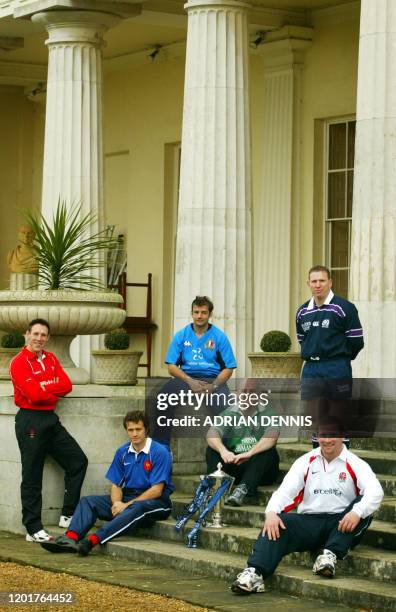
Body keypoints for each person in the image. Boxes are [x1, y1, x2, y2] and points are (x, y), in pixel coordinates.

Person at [231, 417, 383, 594]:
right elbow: (285, 492)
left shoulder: (355, 463)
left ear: (342, 436)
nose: (327, 440)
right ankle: (255, 574)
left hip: (341, 525)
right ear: (317, 436)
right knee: (276, 523)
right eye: (323, 435)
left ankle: (329, 555)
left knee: (364, 508)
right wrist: (271, 512)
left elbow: (376, 491)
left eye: (332, 435)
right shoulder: (305, 461)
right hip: (310, 523)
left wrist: (356, 512)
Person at [40, 410, 174, 556]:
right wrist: (117, 503)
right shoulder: (122, 452)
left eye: (138, 429)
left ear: (146, 430)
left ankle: (93, 540)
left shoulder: (160, 452)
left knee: (137, 507)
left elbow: (157, 490)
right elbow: (116, 484)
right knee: (88, 502)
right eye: (130, 430)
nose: (134, 434)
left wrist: (126, 505)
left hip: (156, 502)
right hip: (128, 497)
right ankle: (70, 539)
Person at [10, 318, 88, 543]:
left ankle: (68, 514)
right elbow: (34, 396)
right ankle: (33, 528)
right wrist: (48, 386)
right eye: (35, 334)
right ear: (27, 334)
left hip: (50, 420)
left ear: (48, 338)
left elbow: (67, 386)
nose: (39, 338)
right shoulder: (19, 362)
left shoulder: (51, 358)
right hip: (30, 420)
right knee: (32, 474)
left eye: (43, 335)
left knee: (78, 461)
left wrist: (43, 384)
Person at [151, 296, 237, 444]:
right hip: (185, 378)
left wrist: (214, 386)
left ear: (210, 314)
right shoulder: (181, 335)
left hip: (212, 379)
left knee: (226, 410)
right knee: (162, 400)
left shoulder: (219, 336)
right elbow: (171, 366)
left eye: (203, 312)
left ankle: (230, 450)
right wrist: (190, 381)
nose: (199, 316)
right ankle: (161, 447)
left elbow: (229, 368)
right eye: (196, 312)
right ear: (192, 313)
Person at [296, 265, 364, 444]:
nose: (318, 285)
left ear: (330, 282)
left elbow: (356, 341)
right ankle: (318, 469)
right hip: (311, 369)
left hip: (336, 368)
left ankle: (340, 468)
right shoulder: (302, 311)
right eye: (314, 281)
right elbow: (303, 340)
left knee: (337, 421)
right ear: (308, 284)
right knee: (315, 421)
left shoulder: (345, 308)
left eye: (322, 280)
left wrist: (340, 357)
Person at [206, 380, 279, 507]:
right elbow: (211, 434)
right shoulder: (229, 413)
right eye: (244, 391)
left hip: (260, 469)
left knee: (268, 451)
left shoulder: (269, 413)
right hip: (235, 463)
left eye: (252, 391)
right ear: (237, 394)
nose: (248, 395)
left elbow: (271, 437)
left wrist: (250, 453)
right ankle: (214, 486)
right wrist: (224, 451)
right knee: (212, 449)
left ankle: (242, 490)